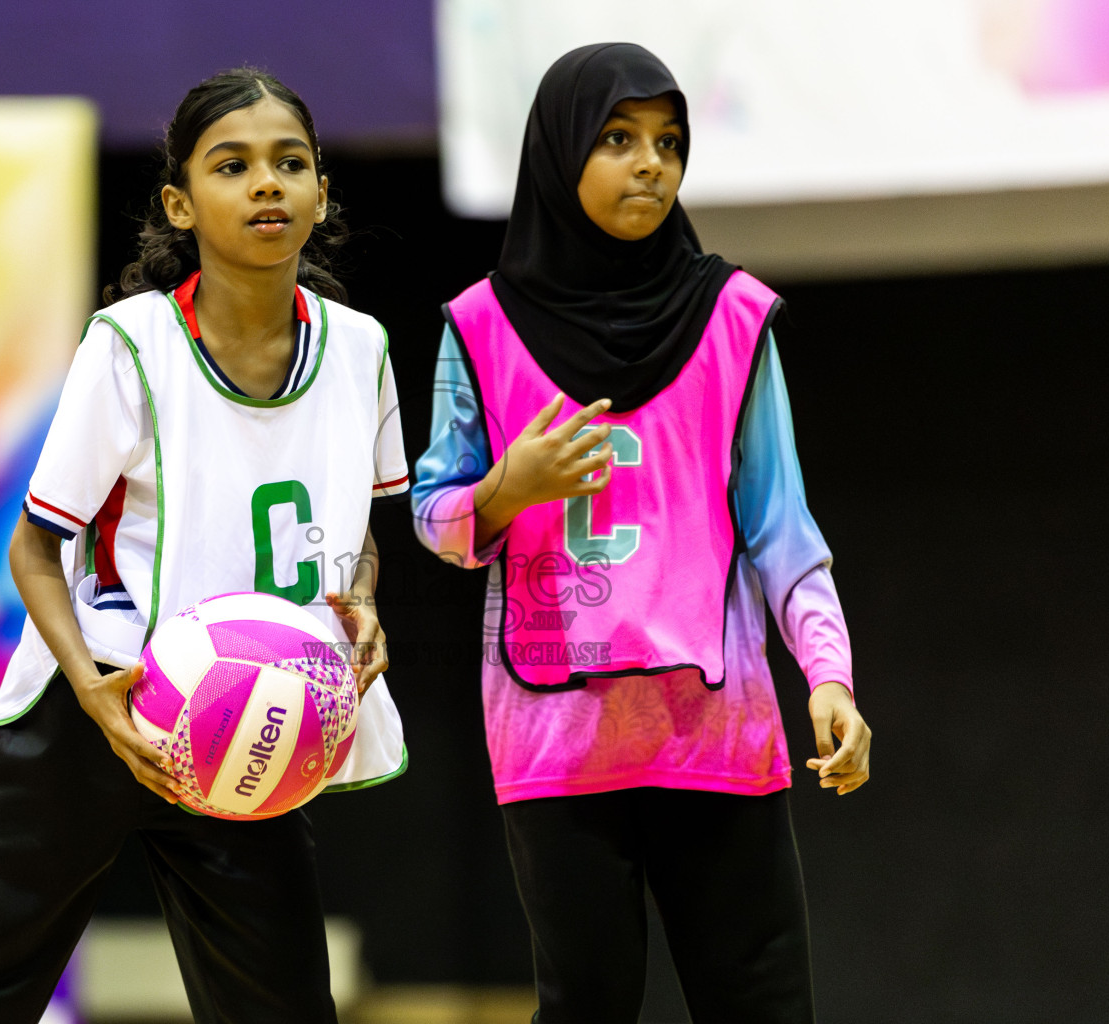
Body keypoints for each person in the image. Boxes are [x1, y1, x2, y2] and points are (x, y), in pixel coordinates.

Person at [0, 68, 410, 1024]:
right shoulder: (131, 344)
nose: (267, 184)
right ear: (180, 204)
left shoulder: (360, 349)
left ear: (322, 193)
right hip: (96, 705)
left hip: (250, 718)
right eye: (232, 166)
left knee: (281, 1007)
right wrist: (97, 697)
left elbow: (354, 535)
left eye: (291, 163)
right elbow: (35, 550)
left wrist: (359, 602)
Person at [412, 43, 871, 1023]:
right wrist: (505, 489)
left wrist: (827, 675)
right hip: (556, 744)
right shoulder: (480, 328)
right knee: (586, 1006)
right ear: (557, 153)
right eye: (618, 139)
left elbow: (783, 529)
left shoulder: (735, 320)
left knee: (765, 1006)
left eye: (669, 141)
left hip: (719, 733)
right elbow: (435, 514)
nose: (651, 162)